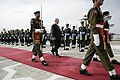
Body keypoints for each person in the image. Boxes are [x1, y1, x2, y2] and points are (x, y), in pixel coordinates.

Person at [79, 0, 120, 80]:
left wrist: (104, 20)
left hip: (99, 33)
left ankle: (82, 68)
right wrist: (96, 36)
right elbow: (93, 24)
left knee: (90, 52)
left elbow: (98, 23)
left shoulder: (98, 10)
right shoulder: (93, 10)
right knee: (103, 53)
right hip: (96, 34)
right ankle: (112, 73)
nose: (102, 0)